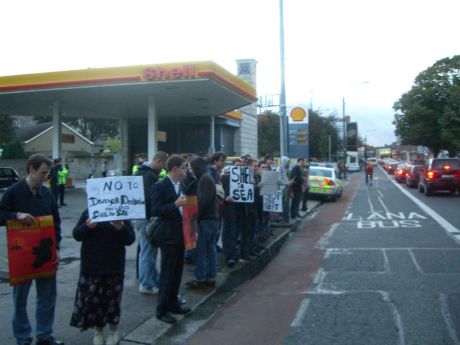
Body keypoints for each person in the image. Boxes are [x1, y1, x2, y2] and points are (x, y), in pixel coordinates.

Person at [0, 153, 63, 345]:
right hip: (22, 255)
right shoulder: (14, 191)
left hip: (45, 254)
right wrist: (15, 215)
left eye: (48, 172)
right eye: (43, 172)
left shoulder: (47, 193)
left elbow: (56, 223)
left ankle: (44, 335)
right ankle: (23, 338)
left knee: (47, 296)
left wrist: (57, 248)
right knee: (20, 298)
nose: (46, 176)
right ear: (31, 170)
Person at [70, 210, 135, 345]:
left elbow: (130, 239)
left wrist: (121, 227)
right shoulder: (89, 211)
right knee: (95, 302)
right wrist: (87, 227)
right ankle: (98, 332)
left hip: (114, 267)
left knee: (112, 302)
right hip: (91, 266)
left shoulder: (120, 213)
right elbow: (77, 234)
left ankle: (113, 332)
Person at [151, 155, 191, 324]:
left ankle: (173, 304)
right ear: (174, 168)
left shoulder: (182, 185)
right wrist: (174, 205)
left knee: (177, 272)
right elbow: (156, 210)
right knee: (167, 273)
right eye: (183, 167)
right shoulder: (160, 186)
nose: (186, 171)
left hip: (181, 233)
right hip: (168, 236)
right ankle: (162, 309)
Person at [134, 151, 168, 295]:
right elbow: (150, 199)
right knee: (148, 252)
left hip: (141, 216)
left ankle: (151, 280)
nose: (164, 168)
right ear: (159, 161)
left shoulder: (141, 173)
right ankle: (147, 284)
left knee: (147, 250)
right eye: (164, 164)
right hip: (146, 217)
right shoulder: (149, 176)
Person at [185, 157, 218, 289]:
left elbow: (203, 202)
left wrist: (195, 217)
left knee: (202, 250)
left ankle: (201, 278)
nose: (189, 170)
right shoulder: (207, 178)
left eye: (191, 167)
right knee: (211, 249)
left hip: (204, 220)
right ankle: (210, 277)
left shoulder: (204, 179)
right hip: (211, 219)